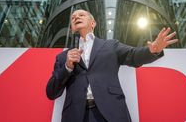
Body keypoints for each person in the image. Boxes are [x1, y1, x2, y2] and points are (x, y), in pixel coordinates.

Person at [46, 9, 178, 122]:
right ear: (72, 27)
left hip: (111, 112)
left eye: (81, 15)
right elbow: (51, 92)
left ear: (93, 23)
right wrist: (67, 67)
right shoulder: (63, 57)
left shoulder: (110, 46)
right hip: (75, 116)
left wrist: (153, 50)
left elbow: (133, 55)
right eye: (73, 17)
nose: (76, 17)